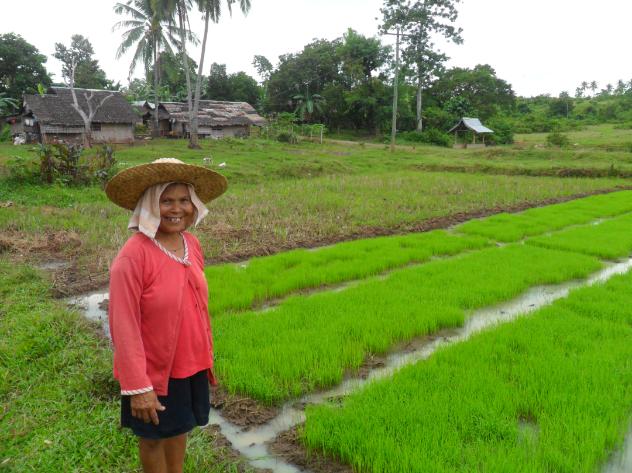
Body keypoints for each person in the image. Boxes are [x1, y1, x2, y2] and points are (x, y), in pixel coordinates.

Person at [104, 158, 227, 473]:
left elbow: (196, 306)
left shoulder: (191, 243)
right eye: (166, 200)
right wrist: (138, 386)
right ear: (149, 206)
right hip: (154, 372)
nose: (177, 209)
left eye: (184, 200)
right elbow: (123, 326)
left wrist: (206, 356)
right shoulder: (133, 257)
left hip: (190, 364)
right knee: (153, 439)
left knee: (179, 428)